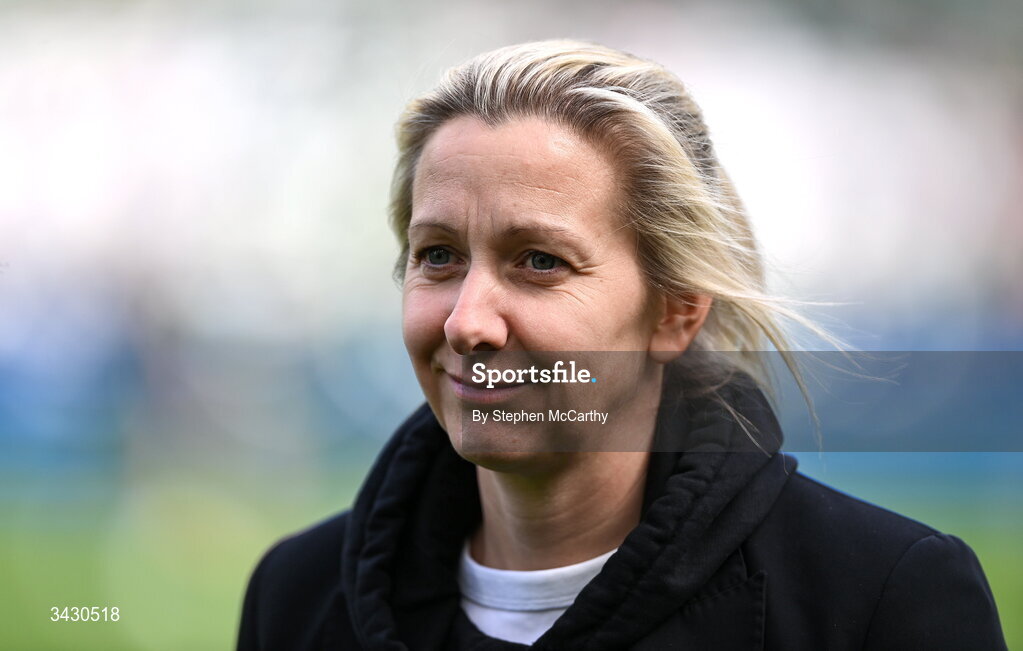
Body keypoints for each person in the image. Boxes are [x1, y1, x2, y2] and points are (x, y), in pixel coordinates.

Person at [236, 40, 1007, 650]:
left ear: (675, 310)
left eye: (538, 261)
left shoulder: (880, 599)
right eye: (438, 255)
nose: (468, 321)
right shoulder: (296, 595)